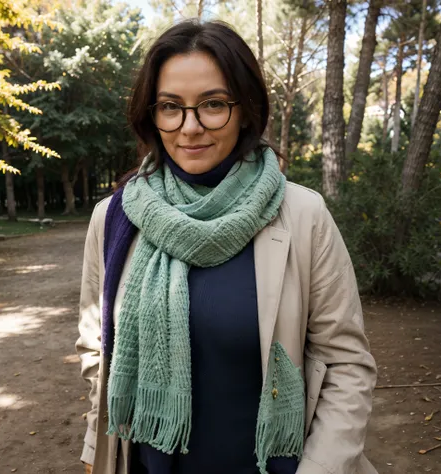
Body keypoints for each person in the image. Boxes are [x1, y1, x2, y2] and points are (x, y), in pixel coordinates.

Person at [76, 19, 378, 474]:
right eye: (170, 107)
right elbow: (95, 343)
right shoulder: (115, 218)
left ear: (246, 108)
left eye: (213, 104)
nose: (190, 127)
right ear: (150, 114)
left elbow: (346, 366)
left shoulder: (302, 215)